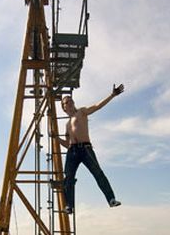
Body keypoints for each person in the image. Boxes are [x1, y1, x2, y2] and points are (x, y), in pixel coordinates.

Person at [53, 84, 124, 213]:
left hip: (85, 149)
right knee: (68, 177)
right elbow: (67, 144)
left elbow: (97, 106)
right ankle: (69, 205)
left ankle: (111, 199)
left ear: (73, 103)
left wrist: (112, 95)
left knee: (98, 173)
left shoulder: (81, 112)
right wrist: (56, 139)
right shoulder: (67, 124)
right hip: (72, 151)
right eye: (66, 103)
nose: (69, 103)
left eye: (70, 101)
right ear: (63, 108)